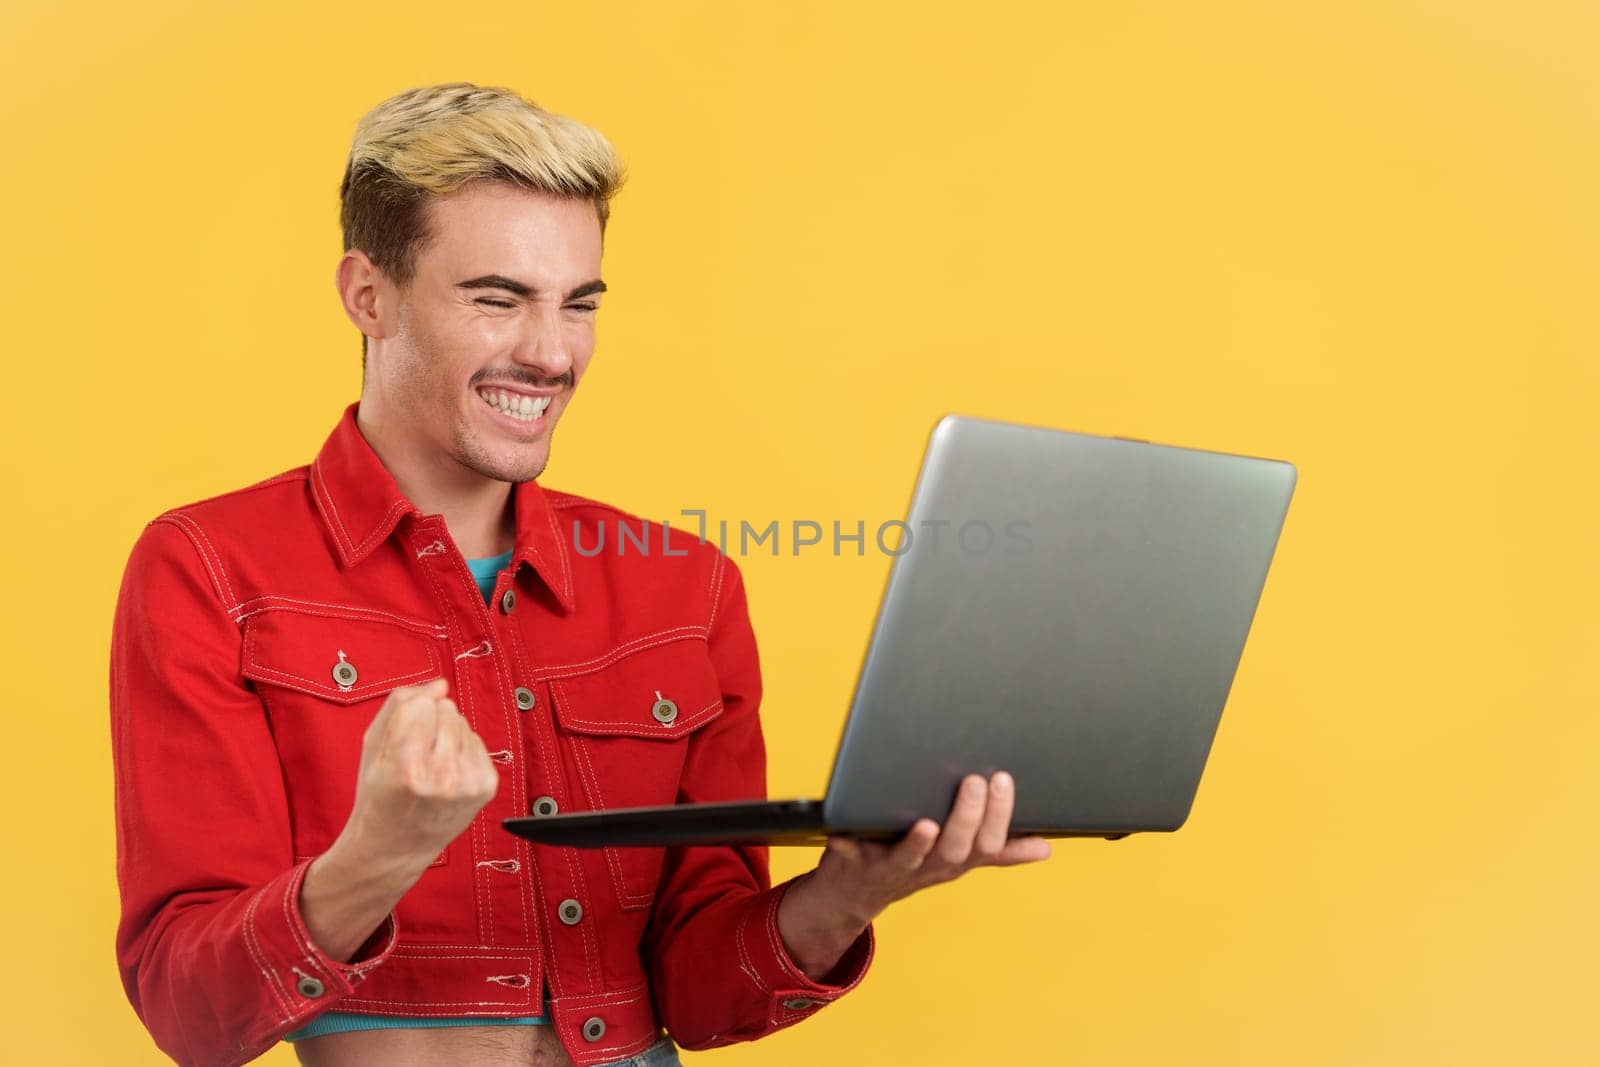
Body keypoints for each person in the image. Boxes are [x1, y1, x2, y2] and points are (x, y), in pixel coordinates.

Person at [108, 81, 1052, 1067]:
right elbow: (188, 1010)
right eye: (497, 299)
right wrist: (378, 850)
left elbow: (699, 990)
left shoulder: (687, 588)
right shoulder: (209, 568)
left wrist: (851, 889)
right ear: (367, 294)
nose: (553, 352)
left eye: (578, 304)